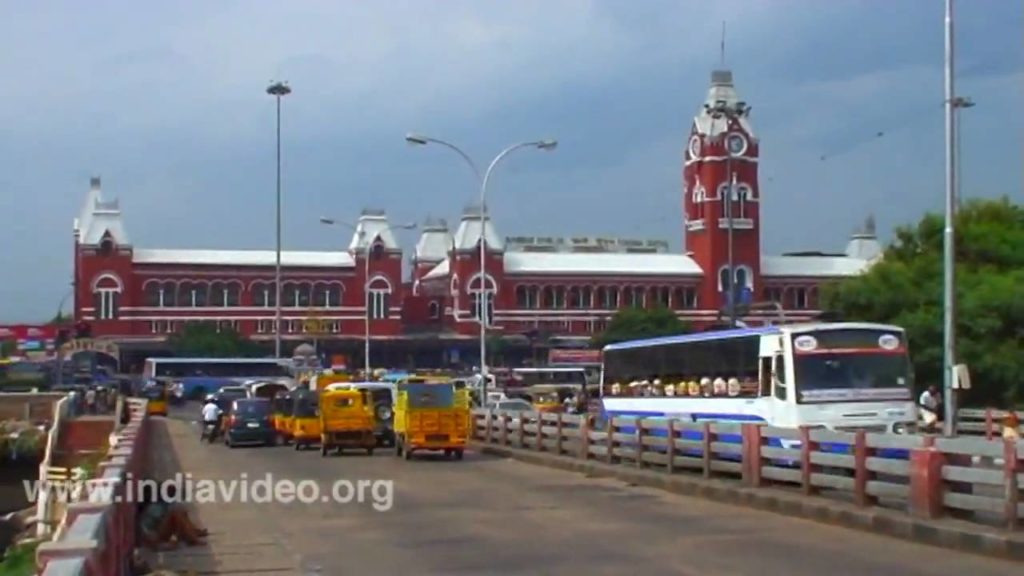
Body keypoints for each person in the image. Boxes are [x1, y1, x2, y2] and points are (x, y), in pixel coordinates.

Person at [137, 482, 207, 549]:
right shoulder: (153, 508)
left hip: (158, 531)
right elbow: (146, 531)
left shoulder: (162, 504)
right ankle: (193, 539)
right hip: (154, 536)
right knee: (175, 514)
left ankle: (193, 532)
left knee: (180, 512)